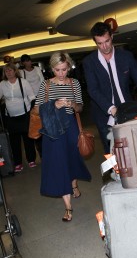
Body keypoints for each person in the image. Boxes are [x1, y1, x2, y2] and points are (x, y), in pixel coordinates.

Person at [35, 51, 91, 222]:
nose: (61, 73)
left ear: (69, 67)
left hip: (71, 126)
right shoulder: (45, 85)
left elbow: (80, 107)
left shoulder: (74, 84)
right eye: (57, 70)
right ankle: (68, 207)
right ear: (52, 68)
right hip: (53, 129)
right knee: (59, 164)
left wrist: (72, 104)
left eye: (64, 70)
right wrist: (54, 104)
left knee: (72, 159)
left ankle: (74, 184)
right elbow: (37, 109)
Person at [83, 22, 137, 154]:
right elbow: (93, 89)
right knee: (111, 151)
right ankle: (113, 174)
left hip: (126, 109)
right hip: (104, 114)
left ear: (112, 37)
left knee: (132, 147)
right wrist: (111, 109)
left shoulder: (126, 56)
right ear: (95, 42)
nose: (104, 46)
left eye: (107, 41)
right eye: (99, 43)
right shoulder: (89, 62)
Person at [0, 63, 37, 172]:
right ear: (4, 73)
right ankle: (18, 163)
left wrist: (33, 110)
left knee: (28, 139)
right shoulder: (2, 84)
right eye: (6, 71)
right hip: (10, 117)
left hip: (24, 115)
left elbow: (31, 96)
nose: (9, 73)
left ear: (15, 71)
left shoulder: (23, 82)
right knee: (14, 141)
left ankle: (31, 160)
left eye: (10, 70)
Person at [19, 54, 44, 157]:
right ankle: (39, 147)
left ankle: (46, 145)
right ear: (22, 63)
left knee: (45, 122)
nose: (27, 63)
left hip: (41, 97)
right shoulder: (21, 72)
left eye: (28, 60)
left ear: (30, 61)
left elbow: (42, 82)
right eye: (24, 61)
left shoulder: (37, 69)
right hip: (31, 100)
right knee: (35, 123)